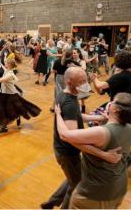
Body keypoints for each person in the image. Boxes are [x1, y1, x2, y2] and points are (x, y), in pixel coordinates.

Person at [42, 67, 125, 209]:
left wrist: (99, 117)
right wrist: (103, 154)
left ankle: (51, 202)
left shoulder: (67, 95)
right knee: (77, 184)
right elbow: (73, 139)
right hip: (67, 153)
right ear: (69, 82)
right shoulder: (68, 102)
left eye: (85, 80)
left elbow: (77, 116)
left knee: (73, 177)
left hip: (66, 151)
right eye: (81, 81)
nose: (85, 83)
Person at [55, 92, 131, 208]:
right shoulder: (129, 129)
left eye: (113, 101)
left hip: (96, 193)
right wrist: (102, 154)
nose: (109, 103)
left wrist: (58, 115)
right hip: (118, 187)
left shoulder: (102, 132)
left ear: (115, 110)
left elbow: (65, 135)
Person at [0, 59, 41, 133]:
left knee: (11, 110)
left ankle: (14, 119)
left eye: (6, 63)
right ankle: (5, 127)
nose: (5, 63)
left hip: (11, 96)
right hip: (4, 94)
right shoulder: (7, 70)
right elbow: (2, 66)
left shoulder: (10, 74)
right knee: (3, 111)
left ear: (9, 65)